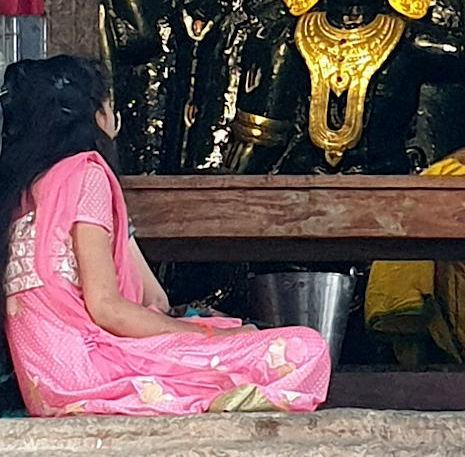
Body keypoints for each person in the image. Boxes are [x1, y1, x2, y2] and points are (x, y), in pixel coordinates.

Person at [0, 55, 330, 417]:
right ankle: (211, 396)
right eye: (109, 104)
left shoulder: (22, 191)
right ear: (95, 116)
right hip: (93, 372)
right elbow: (108, 310)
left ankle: (221, 392)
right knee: (305, 347)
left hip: (48, 387)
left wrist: (121, 229)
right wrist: (212, 338)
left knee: (226, 329)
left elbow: (153, 298)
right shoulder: (85, 173)